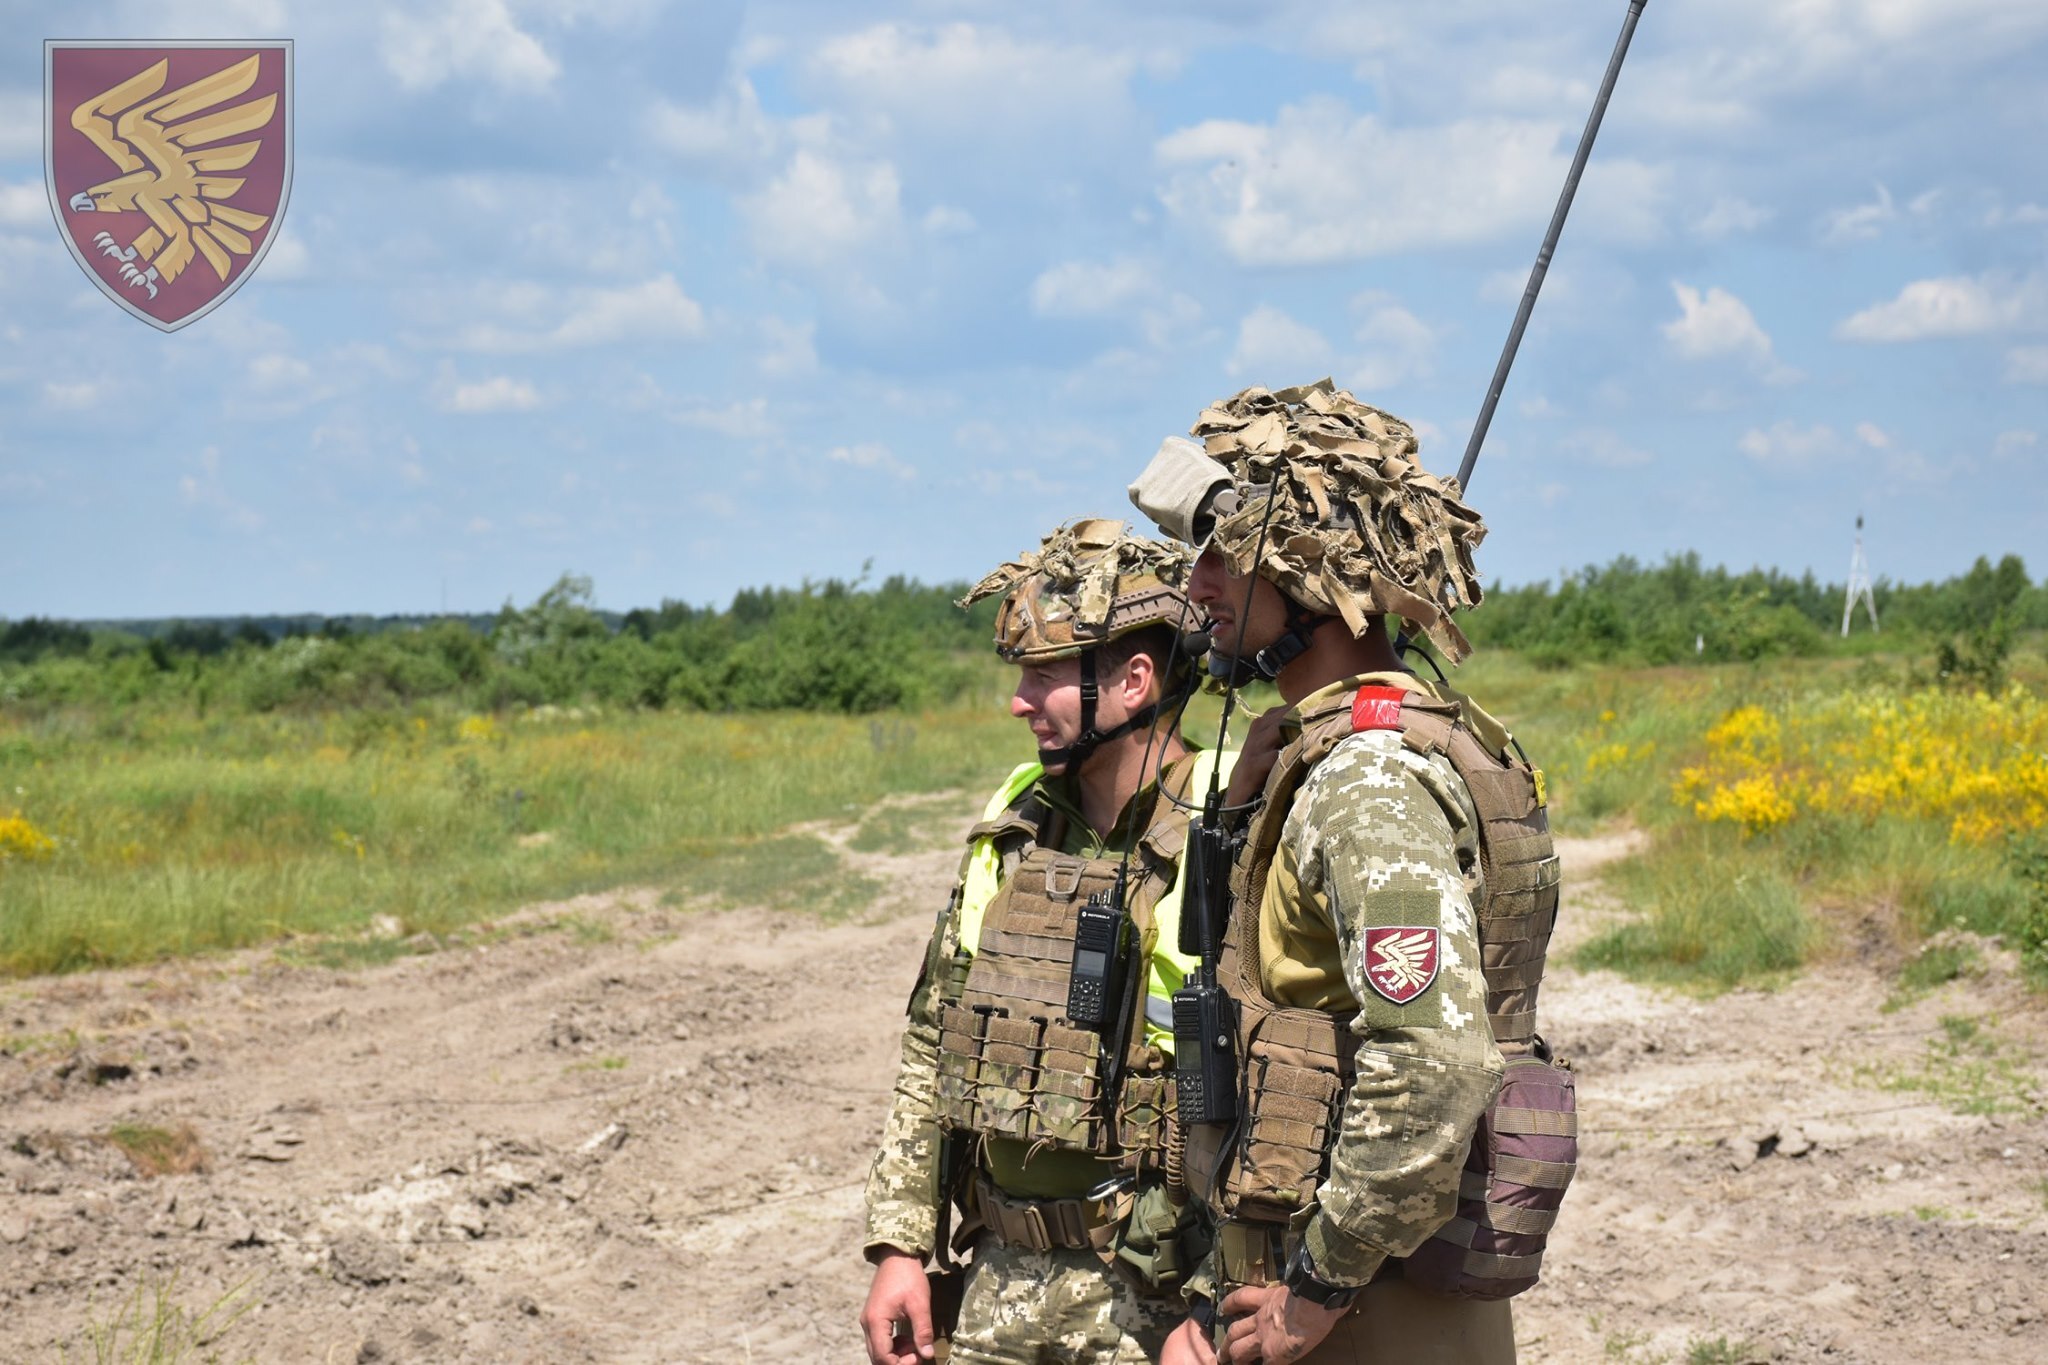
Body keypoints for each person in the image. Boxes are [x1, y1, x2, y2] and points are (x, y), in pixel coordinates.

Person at [1128, 381, 1561, 1365]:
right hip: (1309, 1288)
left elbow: (1433, 1062)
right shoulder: (1314, 749)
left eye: (1222, 557)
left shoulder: (1368, 775)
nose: (1194, 585)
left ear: (1307, 579)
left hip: (1367, 1311)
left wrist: (1314, 1289)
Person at [860, 518, 1240, 1365]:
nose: (1018, 701)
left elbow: (1284, 1091)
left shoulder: (1232, 828)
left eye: (1044, 675)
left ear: (1136, 680)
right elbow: (934, 1038)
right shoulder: (1015, 831)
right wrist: (899, 1248)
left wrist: (1220, 1307)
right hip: (997, 1283)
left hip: (1157, 1300)